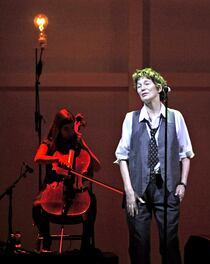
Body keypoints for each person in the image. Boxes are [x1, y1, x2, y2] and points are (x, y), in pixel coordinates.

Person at [115, 68, 194, 264]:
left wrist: (182, 184)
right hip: (138, 189)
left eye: (146, 83)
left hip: (166, 187)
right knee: (139, 244)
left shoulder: (175, 117)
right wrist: (129, 191)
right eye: (138, 85)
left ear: (159, 87)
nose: (141, 88)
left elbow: (185, 154)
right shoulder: (131, 118)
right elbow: (122, 156)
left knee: (169, 242)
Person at [32, 108, 101, 253]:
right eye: (66, 129)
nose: (70, 133)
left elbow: (97, 166)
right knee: (36, 207)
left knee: (92, 203)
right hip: (53, 191)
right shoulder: (49, 143)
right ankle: (47, 241)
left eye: (71, 129)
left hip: (75, 192)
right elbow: (38, 158)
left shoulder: (76, 144)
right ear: (58, 128)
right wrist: (57, 158)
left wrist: (84, 144)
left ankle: (85, 246)